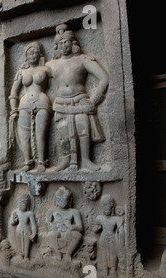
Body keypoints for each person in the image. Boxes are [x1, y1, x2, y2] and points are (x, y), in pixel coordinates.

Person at [46, 24, 109, 172]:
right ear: (56, 46)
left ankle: (86, 160)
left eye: (66, 42)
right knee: (64, 133)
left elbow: (104, 78)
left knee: (83, 130)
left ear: (73, 43)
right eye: (60, 43)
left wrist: (95, 100)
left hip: (81, 100)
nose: (63, 46)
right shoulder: (51, 65)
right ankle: (65, 160)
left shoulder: (83, 60)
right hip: (61, 102)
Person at [10, 41, 51, 172]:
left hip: (42, 101)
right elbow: (14, 92)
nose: (32, 55)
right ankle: (27, 161)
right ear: (26, 56)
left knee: (41, 133)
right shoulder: (21, 71)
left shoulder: (46, 69)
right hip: (24, 104)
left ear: (40, 54)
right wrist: (14, 108)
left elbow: (56, 86)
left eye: (34, 52)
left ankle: (41, 161)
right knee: (24, 134)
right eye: (29, 52)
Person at [46, 186, 84, 263]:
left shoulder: (74, 212)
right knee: (50, 235)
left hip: (68, 232)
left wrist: (70, 226)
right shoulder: (52, 211)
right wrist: (52, 227)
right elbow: (47, 223)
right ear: (56, 200)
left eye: (64, 199)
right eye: (58, 199)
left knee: (78, 235)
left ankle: (68, 255)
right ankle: (57, 253)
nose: (61, 202)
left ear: (70, 200)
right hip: (57, 232)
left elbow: (80, 228)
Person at [93, 195, 120, 278]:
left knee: (113, 254)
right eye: (103, 205)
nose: (105, 208)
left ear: (112, 206)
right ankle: (104, 269)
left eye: (106, 205)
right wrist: (96, 228)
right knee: (103, 253)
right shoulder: (99, 218)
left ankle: (113, 270)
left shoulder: (116, 219)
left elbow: (121, 229)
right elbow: (95, 229)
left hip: (112, 238)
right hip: (103, 237)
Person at [10, 194, 37, 261]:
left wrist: (34, 233)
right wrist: (14, 220)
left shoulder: (29, 213)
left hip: (27, 230)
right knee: (19, 243)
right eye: (21, 203)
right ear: (18, 203)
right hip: (18, 229)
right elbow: (12, 223)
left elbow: (33, 224)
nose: (22, 205)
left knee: (26, 244)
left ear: (28, 205)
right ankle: (20, 255)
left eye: (24, 204)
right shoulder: (16, 212)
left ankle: (26, 257)